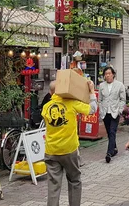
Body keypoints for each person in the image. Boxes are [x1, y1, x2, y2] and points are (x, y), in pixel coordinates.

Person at [42, 77, 97, 206]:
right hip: (69, 150)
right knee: (74, 180)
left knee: (53, 185)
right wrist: (91, 92)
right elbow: (92, 109)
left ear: (50, 93)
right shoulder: (72, 103)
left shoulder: (45, 107)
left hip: (51, 150)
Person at [98, 67, 126, 163]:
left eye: (109, 73)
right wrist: (101, 109)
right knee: (109, 133)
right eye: (106, 74)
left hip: (115, 112)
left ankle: (109, 153)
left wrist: (120, 110)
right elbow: (100, 99)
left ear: (113, 74)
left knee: (112, 131)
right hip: (105, 112)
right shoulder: (101, 85)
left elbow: (123, 99)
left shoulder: (119, 85)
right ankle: (114, 149)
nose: (108, 75)